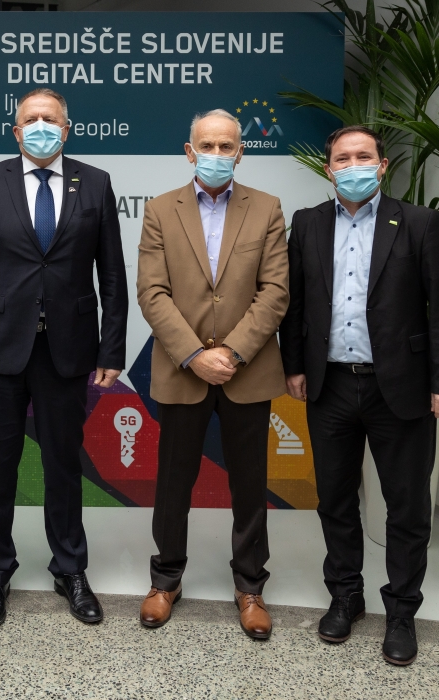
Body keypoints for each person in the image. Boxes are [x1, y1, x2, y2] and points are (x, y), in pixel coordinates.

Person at [0, 88, 128, 629]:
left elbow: (112, 275)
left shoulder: (95, 182)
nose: (41, 126)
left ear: (67, 129)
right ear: (15, 130)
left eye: (51, 118)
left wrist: (112, 348)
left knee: (64, 464)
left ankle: (70, 568)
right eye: (31, 119)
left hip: (67, 349)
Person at [280, 125, 439, 666]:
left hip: (402, 386)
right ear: (328, 168)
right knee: (335, 499)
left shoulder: (418, 222)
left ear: (382, 165)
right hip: (328, 385)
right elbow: (294, 303)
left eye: (363, 156)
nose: (353, 166)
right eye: (343, 158)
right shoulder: (308, 223)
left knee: (407, 506)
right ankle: (346, 595)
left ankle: (402, 612)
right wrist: (294, 367)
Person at [136, 109, 289, 639]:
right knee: (173, 481)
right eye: (208, 145)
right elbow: (152, 292)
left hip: (249, 371)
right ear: (189, 151)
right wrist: (194, 355)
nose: (217, 155)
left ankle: (250, 586)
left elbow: (275, 291)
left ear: (241, 152)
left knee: (249, 483)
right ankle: (165, 580)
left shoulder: (267, 208)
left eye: (227, 146)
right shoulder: (160, 210)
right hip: (183, 370)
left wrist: (234, 353)